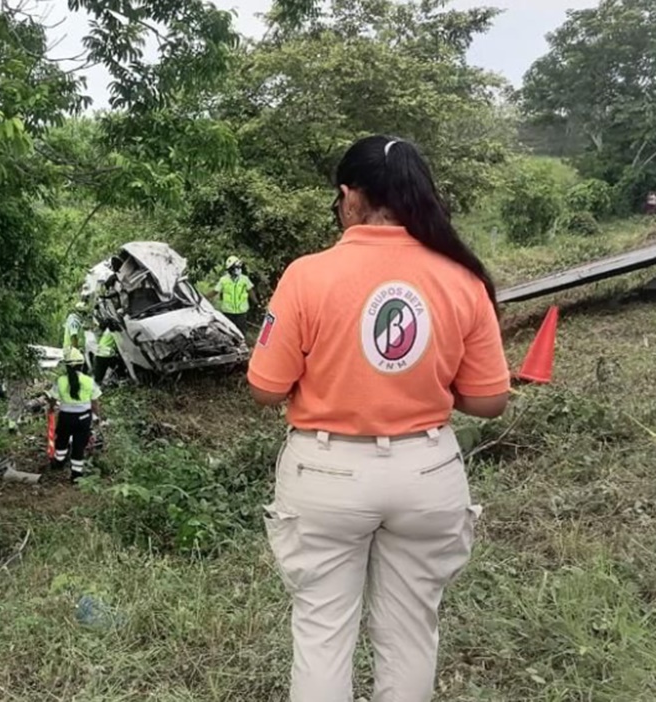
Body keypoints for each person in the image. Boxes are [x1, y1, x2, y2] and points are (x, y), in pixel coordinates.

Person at [247, 135, 510, 702]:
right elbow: (490, 400)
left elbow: (266, 389)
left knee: (322, 634)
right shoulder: (461, 277)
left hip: (325, 475)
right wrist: (430, 386)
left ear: (349, 196)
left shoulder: (307, 275)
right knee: (412, 632)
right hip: (427, 472)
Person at [46, 348, 103, 482]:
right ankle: (76, 475)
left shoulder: (60, 381)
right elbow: (95, 403)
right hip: (83, 418)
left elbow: (52, 399)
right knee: (79, 445)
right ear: (82, 365)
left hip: (66, 417)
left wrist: (51, 409)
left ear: (67, 366)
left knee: (61, 441)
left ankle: (58, 463)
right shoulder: (89, 381)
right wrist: (97, 417)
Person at [209, 256, 257, 332]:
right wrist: (203, 297)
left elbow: (250, 291)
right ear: (230, 269)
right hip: (228, 312)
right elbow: (215, 291)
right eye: (236, 268)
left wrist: (256, 303)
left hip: (241, 312)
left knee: (241, 332)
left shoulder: (244, 279)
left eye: (239, 267)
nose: (238, 269)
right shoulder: (224, 280)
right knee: (228, 332)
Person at [92, 318, 125, 384]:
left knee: (98, 376)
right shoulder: (113, 332)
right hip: (107, 354)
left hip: (100, 354)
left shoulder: (107, 332)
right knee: (120, 365)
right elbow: (121, 343)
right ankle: (121, 379)